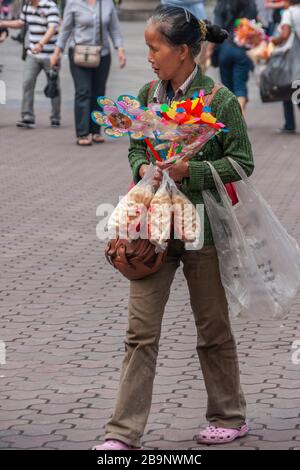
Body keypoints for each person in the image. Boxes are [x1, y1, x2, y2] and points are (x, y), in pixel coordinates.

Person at [92, 4, 254, 451]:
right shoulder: (146, 96)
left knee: (212, 328)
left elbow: (242, 162)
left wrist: (190, 172)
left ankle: (228, 414)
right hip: (152, 231)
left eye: (155, 47)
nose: (149, 56)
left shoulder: (218, 100)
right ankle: (122, 433)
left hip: (203, 227)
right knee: (139, 333)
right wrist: (147, 164)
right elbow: (134, 151)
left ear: (184, 51)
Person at [50, 0, 126, 146]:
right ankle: (82, 133)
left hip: (102, 54)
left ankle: (96, 131)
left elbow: (114, 28)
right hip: (79, 54)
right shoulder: (73, 3)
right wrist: (56, 52)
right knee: (83, 91)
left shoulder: (107, 3)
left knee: (99, 93)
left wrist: (120, 49)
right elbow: (65, 29)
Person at [0, 0, 61, 128]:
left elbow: (53, 28)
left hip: (50, 55)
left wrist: (41, 43)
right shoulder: (27, 6)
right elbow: (21, 22)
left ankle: (55, 117)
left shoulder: (50, 6)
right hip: (32, 54)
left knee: (53, 85)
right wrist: (3, 23)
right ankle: (27, 116)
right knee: (27, 82)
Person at [211, 0, 258, 114]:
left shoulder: (221, 4)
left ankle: (232, 119)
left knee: (227, 89)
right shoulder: (249, 3)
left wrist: (210, 50)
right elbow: (253, 25)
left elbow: (216, 30)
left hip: (224, 49)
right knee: (240, 87)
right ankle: (238, 119)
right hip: (242, 49)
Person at [270, 0, 300, 133]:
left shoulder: (289, 12)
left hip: (292, 57)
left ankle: (289, 124)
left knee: (287, 86)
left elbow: (285, 34)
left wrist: (273, 41)